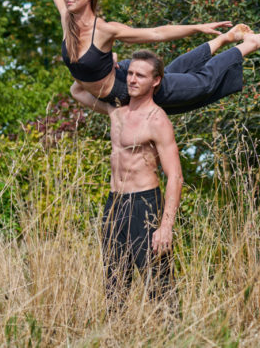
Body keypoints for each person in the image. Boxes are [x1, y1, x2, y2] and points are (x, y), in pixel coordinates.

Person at [33, 0, 260, 114]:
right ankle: (223, 39)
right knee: (78, 89)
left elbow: (157, 33)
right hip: (123, 82)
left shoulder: (104, 30)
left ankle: (249, 44)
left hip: (129, 87)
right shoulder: (68, 20)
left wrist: (197, 27)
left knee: (202, 84)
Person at [73, 50, 183, 308]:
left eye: (140, 75)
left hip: (144, 204)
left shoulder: (158, 121)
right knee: (114, 283)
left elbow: (175, 176)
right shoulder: (116, 112)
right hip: (114, 204)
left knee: (159, 284)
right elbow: (77, 90)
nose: (132, 80)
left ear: (155, 81)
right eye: (130, 73)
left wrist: (166, 226)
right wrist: (109, 66)